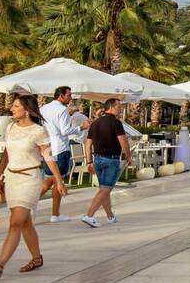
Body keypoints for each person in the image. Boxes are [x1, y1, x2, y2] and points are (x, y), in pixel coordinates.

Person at [0, 95, 67, 278]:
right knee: (25, 223)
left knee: (16, 222)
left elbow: (48, 157)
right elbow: (7, 153)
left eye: (16, 106)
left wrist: (59, 181)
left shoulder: (38, 131)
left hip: (30, 179)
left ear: (27, 110)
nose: (12, 109)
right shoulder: (10, 127)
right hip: (12, 178)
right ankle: (37, 258)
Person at [80, 98, 131, 227]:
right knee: (105, 189)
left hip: (97, 159)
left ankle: (110, 216)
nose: (120, 109)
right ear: (112, 107)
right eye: (119, 106)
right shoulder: (116, 122)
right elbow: (123, 141)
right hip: (111, 160)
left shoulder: (95, 123)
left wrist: (89, 161)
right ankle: (89, 215)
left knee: (104, 189)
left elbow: (88, 143)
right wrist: (128, 156)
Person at [38, 85, 76, 221]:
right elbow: (65, 131)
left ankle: (49, 212)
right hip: (60, 148)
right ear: (61, 96)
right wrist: (80, 128)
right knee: (55, 180)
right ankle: (55, 214)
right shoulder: (62, 110)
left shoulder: (42, 109)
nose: (70, 98)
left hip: (47, 147)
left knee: (50, 179)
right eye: (69, 95)